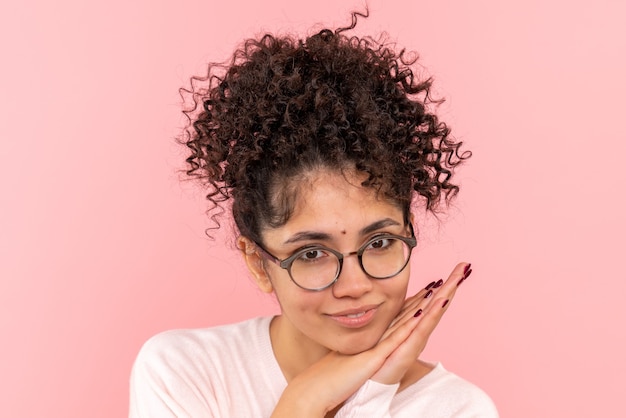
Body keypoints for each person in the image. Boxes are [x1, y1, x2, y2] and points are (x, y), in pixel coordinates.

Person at [129, 12, 498, 417]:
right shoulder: (186, 372)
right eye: (311, 253)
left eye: (379, 243)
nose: (355, 286)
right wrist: (302, 402)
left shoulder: (457, 409)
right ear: (257, 261)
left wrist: (373, 386)